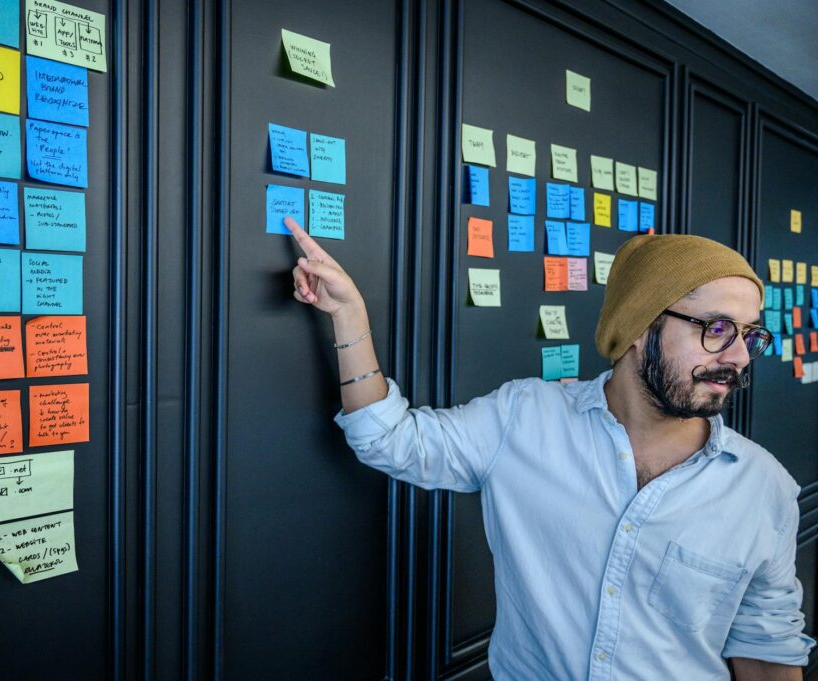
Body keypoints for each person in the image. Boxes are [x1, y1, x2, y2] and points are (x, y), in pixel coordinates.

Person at [285, 215, 815, 681]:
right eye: (717, 328)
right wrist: (348, 315)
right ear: (639, 326)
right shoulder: (523, 418)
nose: (739, 357)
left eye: (750, 335)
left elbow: (767, 649)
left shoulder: (762, 487)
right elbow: (389, 439)